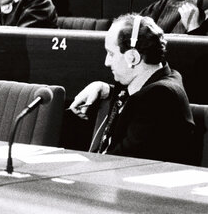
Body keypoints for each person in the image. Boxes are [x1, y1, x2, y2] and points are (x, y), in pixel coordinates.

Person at [69, 14, 195, 164]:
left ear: (133, 57)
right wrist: (104, 88)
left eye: (111, 54)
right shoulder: (159, 79)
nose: (106, 62)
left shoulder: (159, 97)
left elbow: (120, 161)